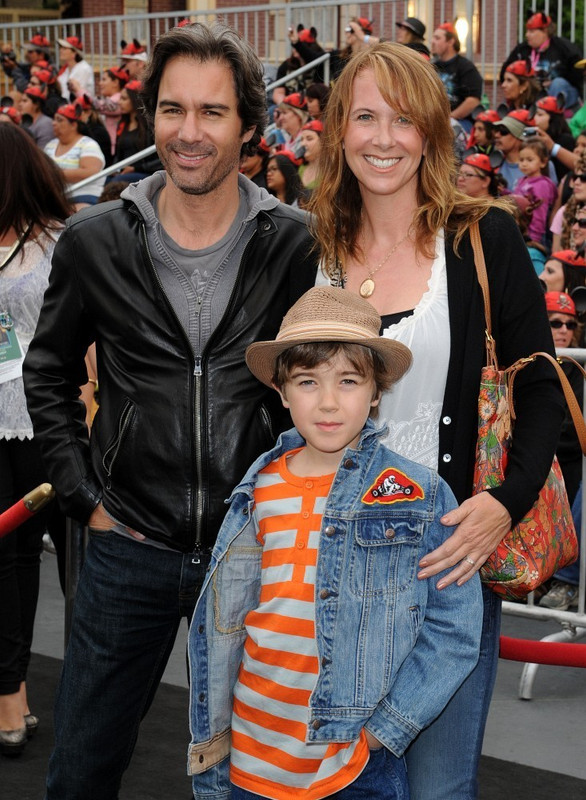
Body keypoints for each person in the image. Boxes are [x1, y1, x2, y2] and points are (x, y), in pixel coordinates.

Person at [23, 21, 316, 799]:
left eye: (213, 112)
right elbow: (48, 371)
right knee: (81, 773)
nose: (190, 134)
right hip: (128, 546)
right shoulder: (95, 240)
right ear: (148, 115)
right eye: (173, 109)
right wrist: (84, 498)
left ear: (249, 127)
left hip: (253, 552)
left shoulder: (294, 245)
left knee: (261, 780)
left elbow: (326, 388)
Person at [309, 41, 563, 799]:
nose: (383, 138)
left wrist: (505, 503)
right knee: (333, 784)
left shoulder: (481, 238)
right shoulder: (314, 249)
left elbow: (543, 386)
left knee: (437, 789)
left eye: (403, 119)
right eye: (365, 117)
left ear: (431, 133)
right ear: (338, 132)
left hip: (447, 557)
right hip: (333, 559)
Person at [187, 286, 483, 799]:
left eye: (348, 381)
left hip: (352, 768)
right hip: (249, 757)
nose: (328, 401)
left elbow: (454, 627)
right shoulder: (255, 489)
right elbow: (229, 621)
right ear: (281, 392)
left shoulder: (417, 494)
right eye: (307, 381)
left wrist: (383, 732)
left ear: (375, 391)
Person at [0, 124, 71, 757]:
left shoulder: (53, 241)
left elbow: (82, 329)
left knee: (20, 554)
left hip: (36, 416)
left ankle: (13, 694)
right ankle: (10, 690)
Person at [539, 290, 583, 611]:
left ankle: (565, 582)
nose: (565, 330)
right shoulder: (529, 361)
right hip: (538, 467)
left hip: (572, 469)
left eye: (570, 324)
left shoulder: (580, 366)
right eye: (556, 322)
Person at [500, 12, 582, 109]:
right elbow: (505, 71)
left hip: (563, 94)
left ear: (544, 31)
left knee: (558, 83)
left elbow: (579, 71)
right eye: (527, 31)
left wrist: (553, 81)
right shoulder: (522, 49)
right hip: (536, 94)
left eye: (531, 31)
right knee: (515, 83)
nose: (527, 35)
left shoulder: (563, 47)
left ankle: (550, 115)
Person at [44, 103, 106, 206]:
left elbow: (90, 172)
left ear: (73, 125)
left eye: (59, 120)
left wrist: (53, 174)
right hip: (57, 197)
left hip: (83, 196)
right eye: (54, 119)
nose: (54, 123)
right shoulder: (50, 145)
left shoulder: (88, 144)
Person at [430, 22, 483, 132]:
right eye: (433, 38)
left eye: (437, 38)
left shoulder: (466, 67)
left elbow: (473, 101)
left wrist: (449, 118)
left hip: (459, 121)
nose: (432, 42)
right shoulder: (431, 66)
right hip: (434, 120)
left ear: (450, 41)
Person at [516, 137, 557, 244]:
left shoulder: (542, 185)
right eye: (521, 160)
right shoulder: (522, 180)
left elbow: (540, 216)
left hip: (534, 238)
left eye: (529, 160)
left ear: (543, 162)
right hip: (520, 233)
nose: (524, 164)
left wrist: (534, 240)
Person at [56, 36, 94, 100]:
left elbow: (76, 94)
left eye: (65, 48)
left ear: (75, 52)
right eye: (61, 48)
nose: (61, 50)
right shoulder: (65, 69)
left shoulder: (83, 68)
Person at [17, 85, 53, 149]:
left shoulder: (45, 124)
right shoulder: (22, 121)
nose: (20, 104)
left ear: (36, 104)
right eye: (20, 101)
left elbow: (43, 153)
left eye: (25, 101)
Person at [298, 118, 323, 191]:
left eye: (309, 139)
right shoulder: (301, 168)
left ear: (323, 141)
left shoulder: (331, 171)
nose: (303, 144)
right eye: (301, 139)